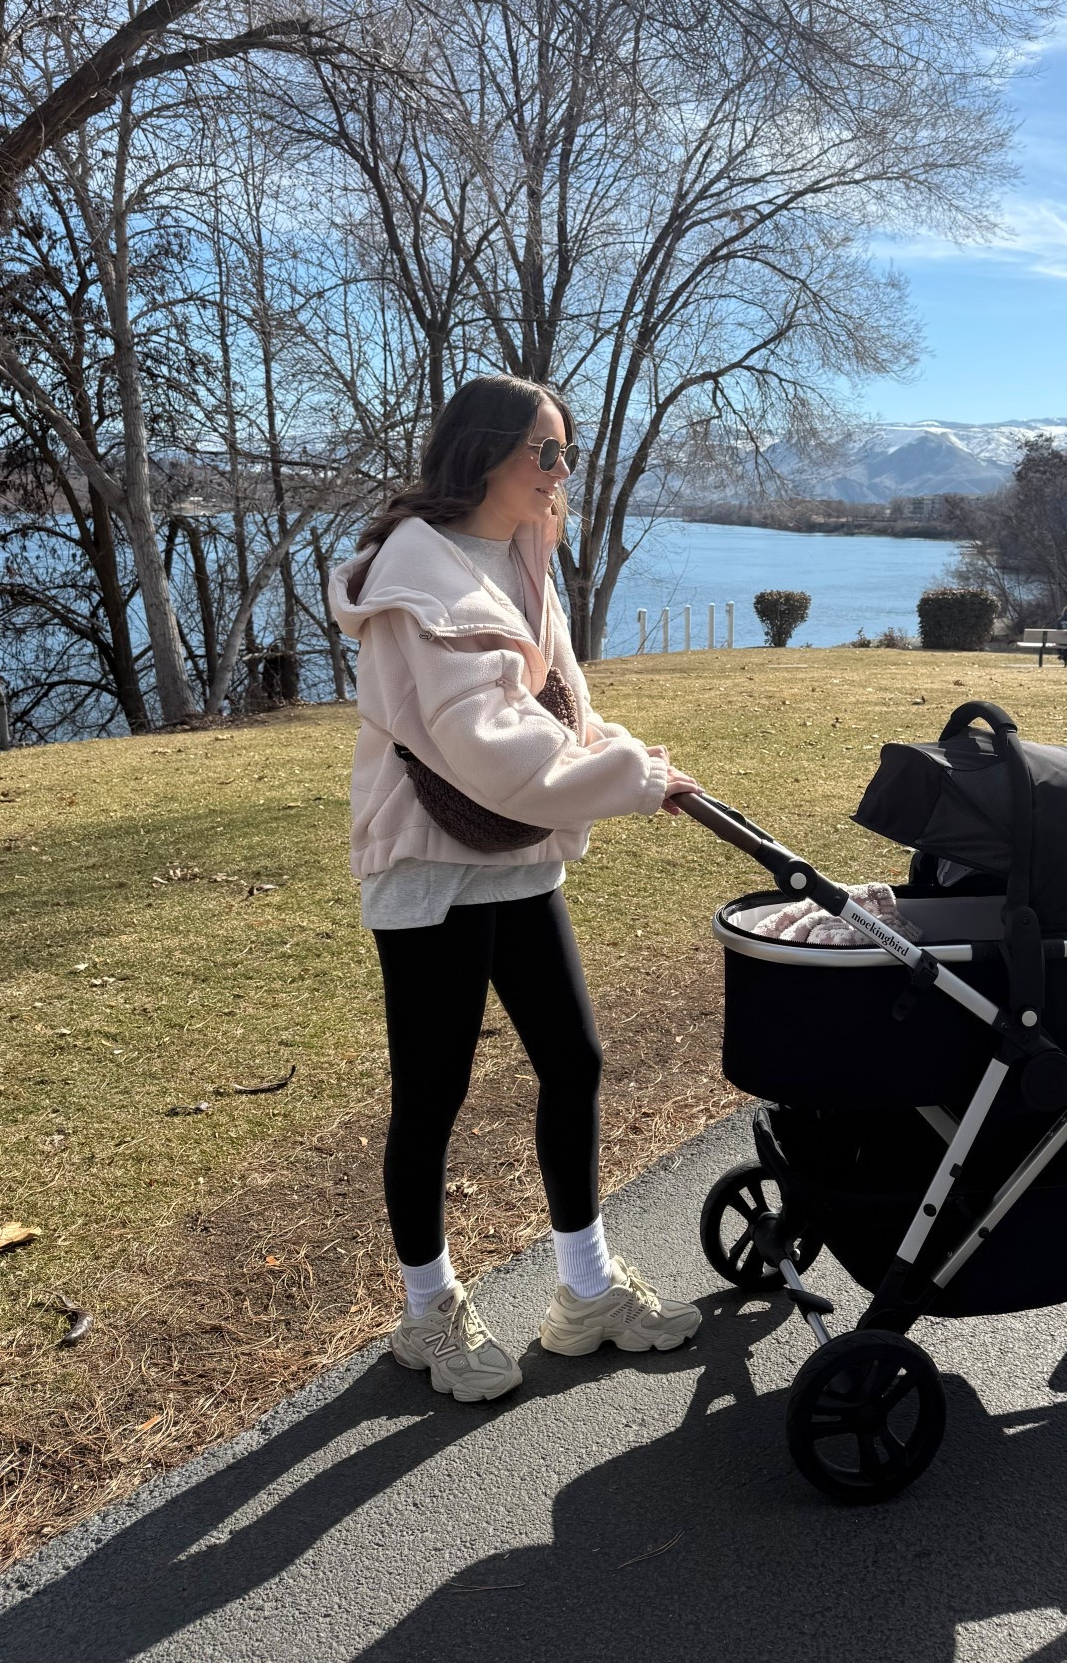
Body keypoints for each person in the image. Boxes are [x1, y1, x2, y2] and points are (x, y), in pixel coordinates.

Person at [329, 374, 705, 1405]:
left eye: (566, 451)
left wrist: (635, 760)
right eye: (547, 451)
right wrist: (631, 779)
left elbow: (561, 715)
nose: (562, 470)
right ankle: (427, 1310)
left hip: (512, 855)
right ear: (484, 454)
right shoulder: (417, 577)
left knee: (572, 1057)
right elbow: (486, 751)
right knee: (434, 1090)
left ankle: (583, 1290)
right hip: (431, 864)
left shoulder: (522, 554)